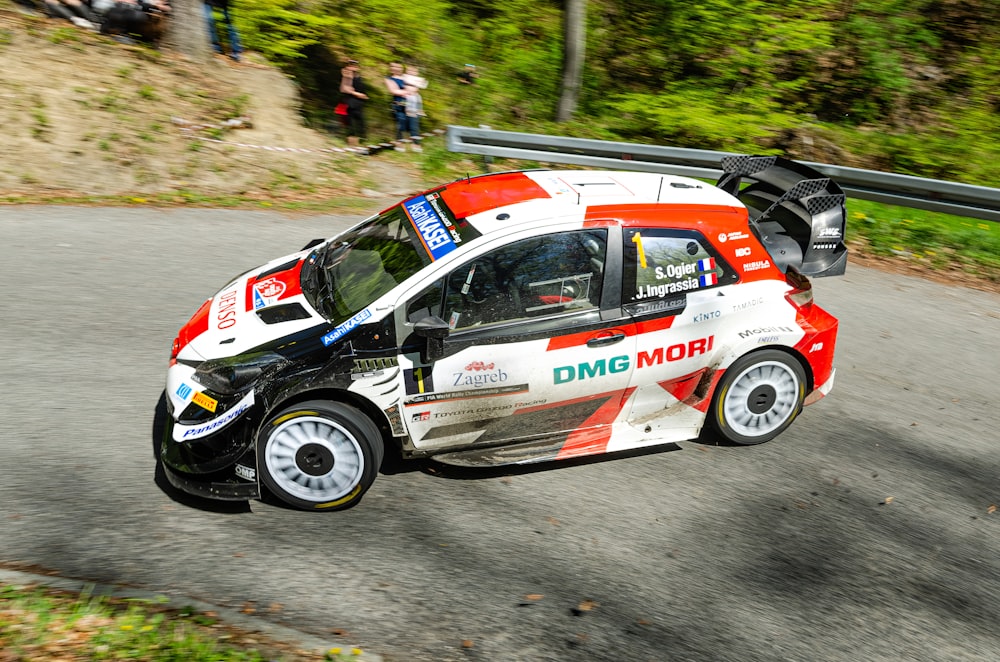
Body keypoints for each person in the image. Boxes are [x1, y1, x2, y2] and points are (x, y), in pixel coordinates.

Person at [340, 59, 368, 148]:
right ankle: (352, 143)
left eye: (355, 65)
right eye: (350, 65)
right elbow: (344, 88)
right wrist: (357, 94)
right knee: (350, 122)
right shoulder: (346, 75)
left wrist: (363, 96)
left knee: (360, 122)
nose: (353, 67)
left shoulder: (358, 76)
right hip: (349, 101)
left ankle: (361, 141)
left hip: (358, 102)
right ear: (347, 66)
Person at [384, 62, 408, 149]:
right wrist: (408, 92)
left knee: (410, 123)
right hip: (398, 104)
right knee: (400, 121)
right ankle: (399, 143)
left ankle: (413, 143)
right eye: (393, 66)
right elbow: (393, 91)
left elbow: (417, 85)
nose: (396, 68)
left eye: (398, 67)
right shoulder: (388, 78)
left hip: (410, 104)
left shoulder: (406, 77)